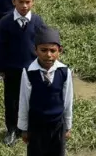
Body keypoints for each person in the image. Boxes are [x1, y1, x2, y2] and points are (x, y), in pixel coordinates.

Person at [0, 0, 45, 147]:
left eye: (28, 2)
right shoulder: (5, 22)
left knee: (33, 99)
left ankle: (31, 129)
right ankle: (12, 130)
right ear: (13, 2)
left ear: (33, 2)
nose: (24, 6)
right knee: (12, 100)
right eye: (21, 2)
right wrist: (0, 68)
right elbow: (0, 46)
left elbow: (42, 45)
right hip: (12, 70)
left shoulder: (37, 21)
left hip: (32, 69)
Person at [18, 27, 74, 156]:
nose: (48, 55)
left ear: (60, 51)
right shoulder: (28, 72)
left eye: (52, 51)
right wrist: (24, 128)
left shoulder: (64, 72)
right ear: (35, 50)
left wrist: (68, 126)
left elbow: (68, 101)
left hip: (58, 125)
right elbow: (24, 100)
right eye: (43, 50)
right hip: (36, 126)